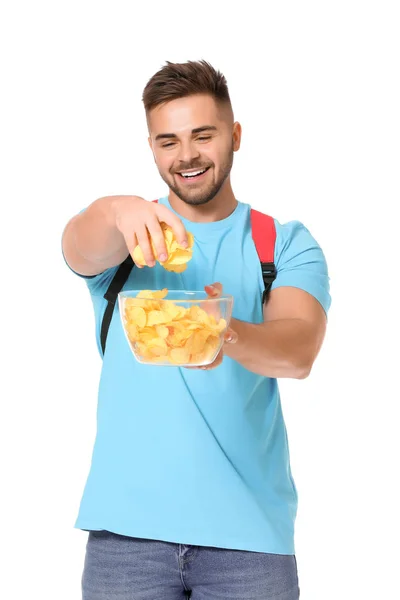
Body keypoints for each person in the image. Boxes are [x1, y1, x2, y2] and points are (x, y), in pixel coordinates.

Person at [62, 59, 331, 600]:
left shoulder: (280, 243)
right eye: (168, 141)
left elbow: (298, 351)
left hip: (249, 544)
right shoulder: (127, 237)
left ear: (234, 136)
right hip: (126, 540)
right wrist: (117, 208)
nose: (185, 155)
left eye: (202, 135)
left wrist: (224, 333)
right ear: (153, 149)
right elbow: (76, 246)